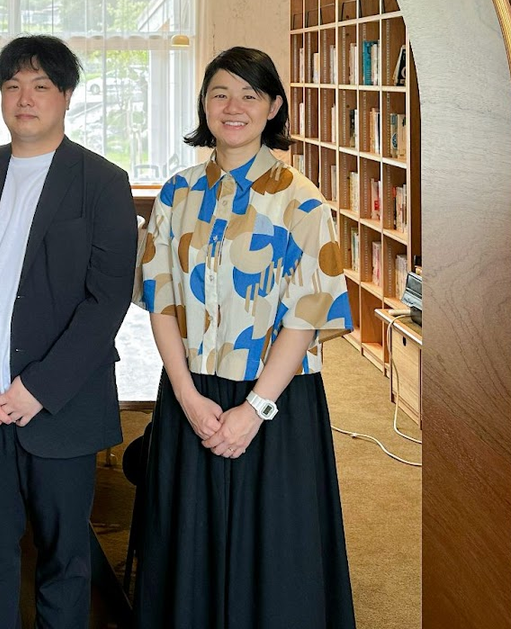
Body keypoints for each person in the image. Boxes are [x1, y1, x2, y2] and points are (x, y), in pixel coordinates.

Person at [135, 46, 356, 628]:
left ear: (273, 107)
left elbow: (306, 317)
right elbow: (161, 303)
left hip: (274, 398)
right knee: (186, 549)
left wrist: (255, 409)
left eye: (249, 95)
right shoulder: (175, 194)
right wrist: (185, 395)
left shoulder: (302, 199)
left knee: (275, 558)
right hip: (192, 396)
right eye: (220, 94)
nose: (233, 107)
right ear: (204, 105)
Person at [0, 35, 138, 629]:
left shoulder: (103, 182)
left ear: (66, 96)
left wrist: (39, 387)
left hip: (60, 408)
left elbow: (106, 301)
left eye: (41, 85)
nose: (25, 98)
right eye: (13, 85)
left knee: (65, 561)